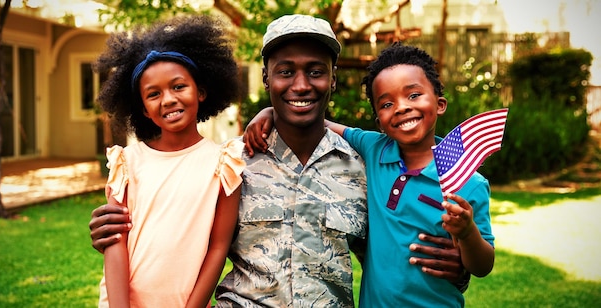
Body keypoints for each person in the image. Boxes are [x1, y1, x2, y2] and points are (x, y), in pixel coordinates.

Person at [89, 14, 467, 307]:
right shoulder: (232, 163)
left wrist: (457, 265)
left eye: (315, 71)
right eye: (286, 71)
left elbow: (390, 252)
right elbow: (168, 225)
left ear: (333, 80)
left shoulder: (365, 168)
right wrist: (112, 227)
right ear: (267, 80)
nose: (301, 85)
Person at [245, 42, 494, 307]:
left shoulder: (468, 182)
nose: (401, 107)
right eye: (387, 103)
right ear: (379, 121)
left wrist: (467, 234)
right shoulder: (375, 149)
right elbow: (322, 122)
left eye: (413, 95)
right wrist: (272, 112)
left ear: (440, 103)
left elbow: (482, 266)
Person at [92, 15, 245, 307]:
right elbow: (115, 243)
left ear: (200, 92)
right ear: (144, 110)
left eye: (178, 87)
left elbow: (218, 247)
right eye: (153, 94)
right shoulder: (126, 162)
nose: (168, 99)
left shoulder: (224, 164)